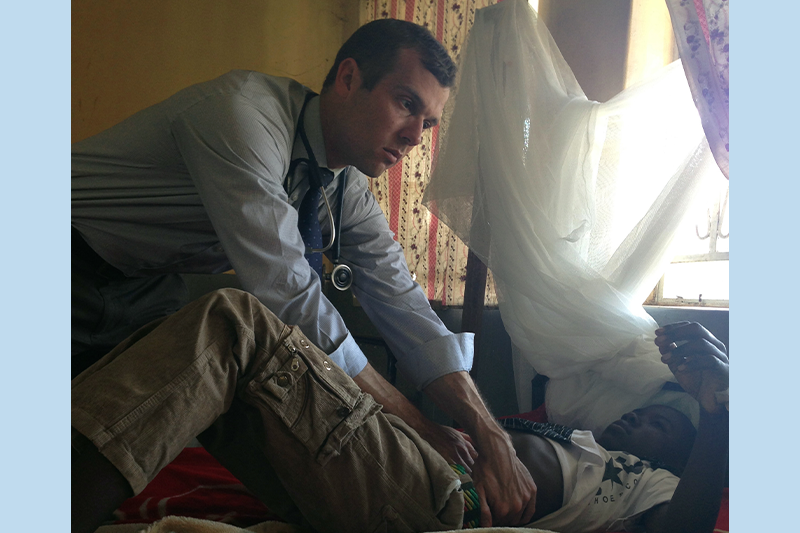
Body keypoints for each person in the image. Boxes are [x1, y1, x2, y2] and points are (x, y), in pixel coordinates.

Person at [71, 18, 536, 528]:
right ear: (348, 78)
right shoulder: (241, 115)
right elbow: (288, 297)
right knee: (234, 330)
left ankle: (360, 515)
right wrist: (417, 425)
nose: (413, 138)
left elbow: (404, 303)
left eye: (427, 123)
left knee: (239, 389)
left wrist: (488, 432)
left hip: (149, 279)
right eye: (406, 103)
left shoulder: (344, 189)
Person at [73, 289, 728, 533]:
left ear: (676, 455)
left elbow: (691, 522)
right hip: (405, 468)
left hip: (448, 498)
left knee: (233, 322)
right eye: (646, 414)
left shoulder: (656, 488)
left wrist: (719, 410)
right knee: (201, 367)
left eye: (660, 427)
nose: (640, 423)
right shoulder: (575, 434)